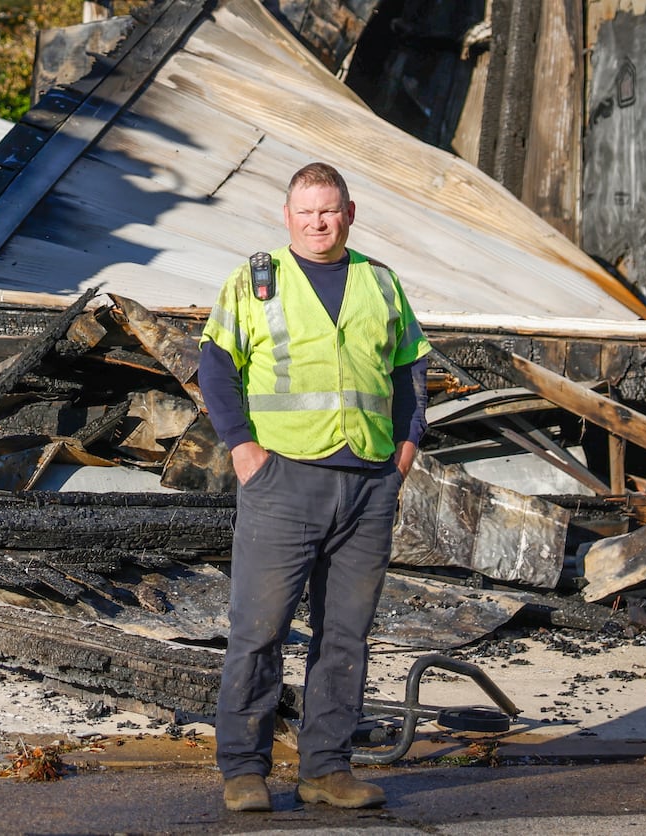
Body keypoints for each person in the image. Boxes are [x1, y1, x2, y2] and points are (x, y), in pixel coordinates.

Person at [197, 162, 430, 813]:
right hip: (283, 482)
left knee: (345, 635)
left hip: (368, 486)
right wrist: (244, 451)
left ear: (349, 213)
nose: (319, 222)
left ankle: (326, 770)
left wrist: (406, 450)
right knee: (259, 629)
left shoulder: (379, 281)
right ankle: (244, 770)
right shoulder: (255, 281)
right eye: (307, 212)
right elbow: (215, 368)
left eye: (329, 211)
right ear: (287, 216)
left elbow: (411, 369)